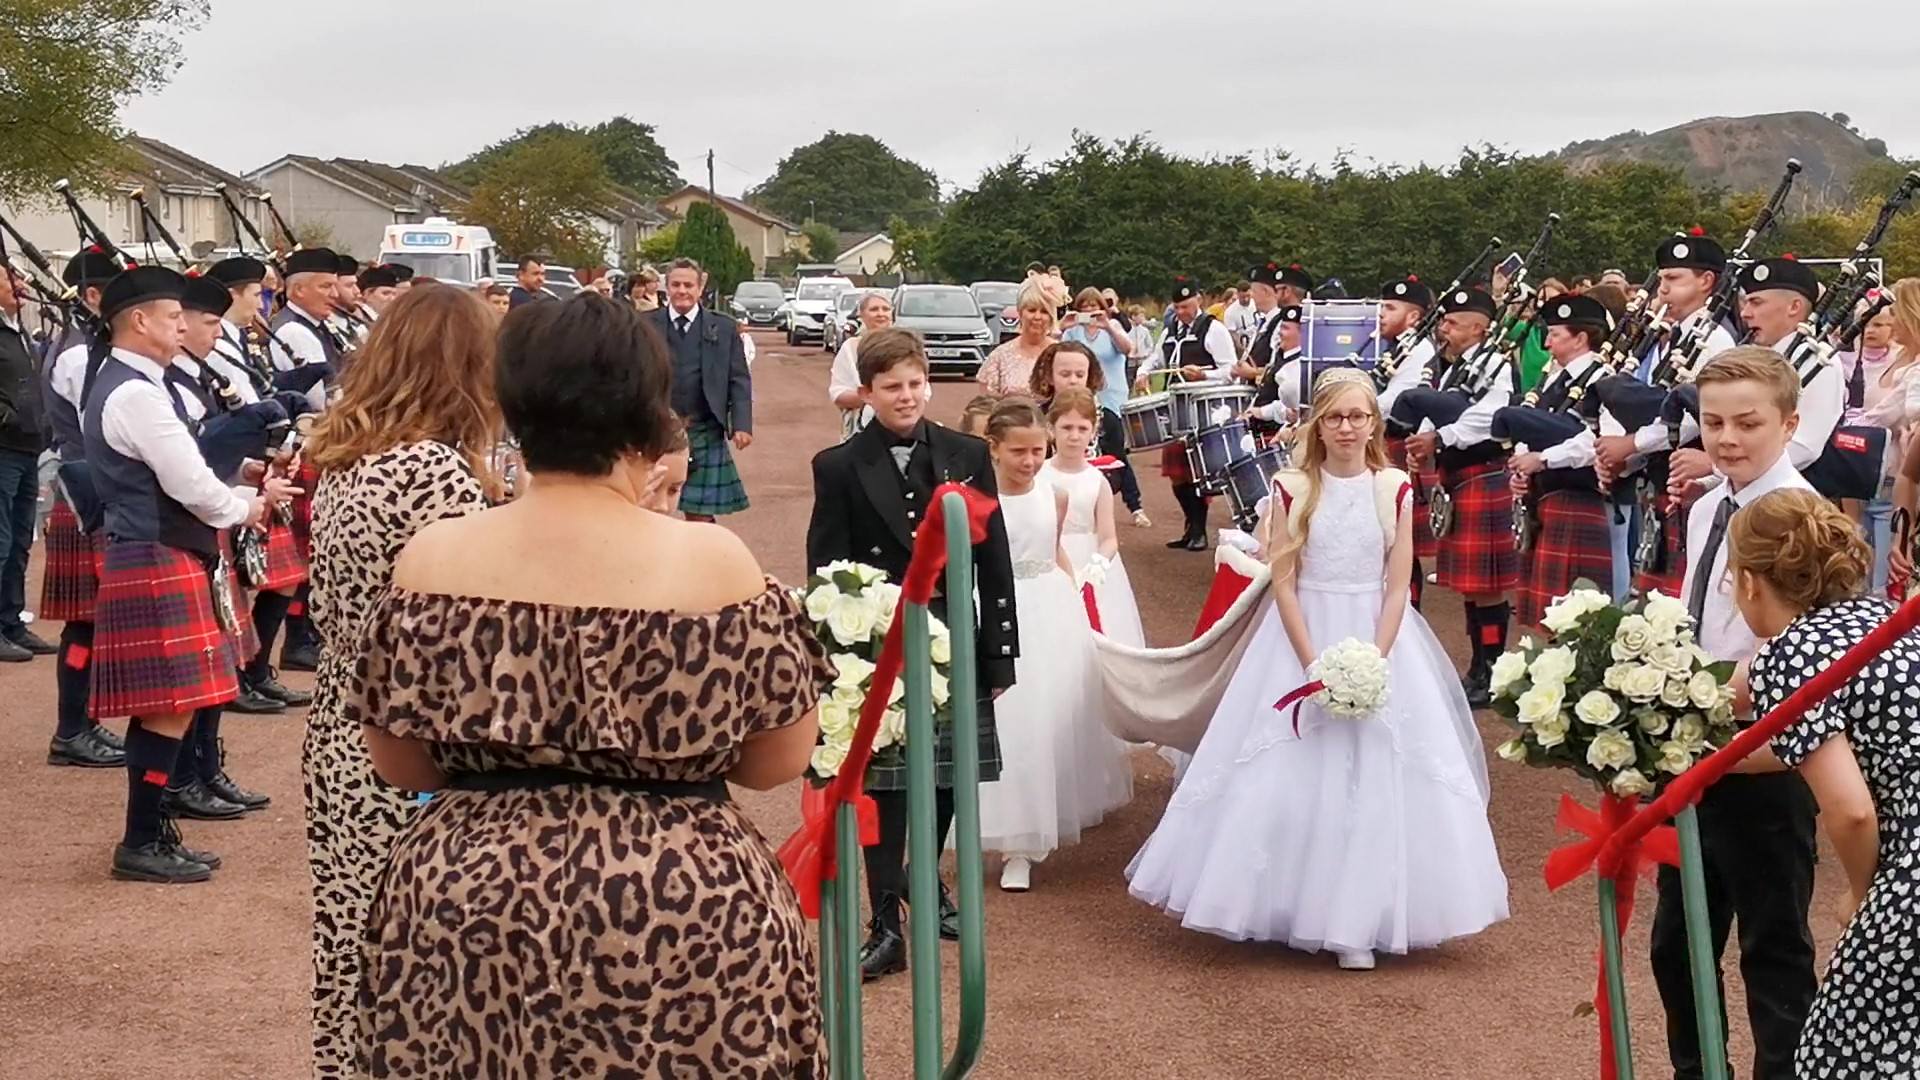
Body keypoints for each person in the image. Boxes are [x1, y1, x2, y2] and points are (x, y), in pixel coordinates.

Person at [347, 291, 830, 1075]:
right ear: (647, 410)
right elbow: (774, 762)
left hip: (471, 903)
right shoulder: (711, 565)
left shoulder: (433, 561)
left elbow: (401, 766)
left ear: (513, 404)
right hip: (680, 903)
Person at [1126, 370, 1507, 968]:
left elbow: (1397, 584)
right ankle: (1277, 901)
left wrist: (1374, 661)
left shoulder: (1396, 488)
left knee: (1377, 764)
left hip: (1379, 636)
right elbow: (1284, 579)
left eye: (1359, 417)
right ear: (1318, 425)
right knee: (1287, 761)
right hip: (1301, 631)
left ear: (1374, 423)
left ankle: (1362, 918)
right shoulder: (1291, 487)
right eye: (1336, 418)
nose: (1348, 428)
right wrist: (1311, 662)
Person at [298, 284, 503, 1077]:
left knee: (353, 940)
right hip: (409, 742)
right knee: (420, 956)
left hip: (342, 729)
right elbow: (474, 630)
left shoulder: (354, 461)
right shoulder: (434, 474)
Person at [806, 326, 1016, 979]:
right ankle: (886, 925)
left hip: (954, 640)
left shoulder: (965, 453)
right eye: (892, 387)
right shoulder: (837, 465)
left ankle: (925, 880)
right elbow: (826, 566)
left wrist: (999, 652)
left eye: (915, 384)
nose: (906, 396)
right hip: (879, 646)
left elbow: (994, 558)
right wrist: (838, 659)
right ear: (867, 392)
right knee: (885, 787)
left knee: (949, 778)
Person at [1646, 347, 1817, 1080]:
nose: (1726, 439)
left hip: (1766, 758)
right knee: (1678, 942)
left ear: (1789, 423)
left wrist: (1708, 692)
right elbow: (1698, 614)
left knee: (1773, 946)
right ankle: (1697, 1071)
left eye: (1748, 423)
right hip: (1690, 751)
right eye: (1713, 423)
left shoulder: (1800, 515)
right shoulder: (1712, 501)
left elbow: (1806, 648)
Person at [83, 266, 285, 883]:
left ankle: (148, 832)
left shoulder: (138, 384)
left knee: (171, 706)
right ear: (139, 321)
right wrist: (244, 507)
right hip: (157, 551)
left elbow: (188, 463)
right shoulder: (136, 393)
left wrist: (239, 479)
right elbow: (189, 484)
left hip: (157, 548)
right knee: (168, 707)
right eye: (174, 316)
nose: (183, 325)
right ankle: (141, 840)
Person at [1732, 488, 1920, 1077]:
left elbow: (1852, 810)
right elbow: (1817, 744)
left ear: (1750, 583)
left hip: (1910, 872)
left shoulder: (1789, 652)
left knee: (1845, 1052)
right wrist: (1704, 760)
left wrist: (1863, 890)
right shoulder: (1879, 618)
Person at [978, 396, 1130, 893]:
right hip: (999, 609)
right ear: (993, 449)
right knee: (1004, 721)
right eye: (1018, 452)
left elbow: (1054, 549)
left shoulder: (1055, 495)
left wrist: (1076, 598)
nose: (1028, 462)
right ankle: (1001, 825)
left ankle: (1025, 844)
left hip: (1049, 607)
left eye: (1036, 452)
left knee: (1044, 719)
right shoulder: (976, 499)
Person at [1593, 232, 1736, 601]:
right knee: (1654, 597)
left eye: (1674, 279)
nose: (1663, 289)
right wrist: (1617, 454)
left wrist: (1629, 445)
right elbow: (1637, 401)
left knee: (1682, 602)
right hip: (1657, 477)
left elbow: (1699, 413)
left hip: (1690, 482)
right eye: (1662, 279)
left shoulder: (1716, 341)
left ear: (1706, 282)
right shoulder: (1666, 338)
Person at [1400, 286, 1513, 705]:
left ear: (1478, 328)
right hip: (1458, 476)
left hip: (1483, 474)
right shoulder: (1454, 367)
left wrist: (1439, 436)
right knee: (1472, 587)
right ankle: (1479, 667)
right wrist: (1423, 441)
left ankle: (1494, 667)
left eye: (1451, 322)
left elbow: (1491, 416)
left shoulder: (1497, 364)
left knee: (1486, 586)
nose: (1443, 329)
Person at [41, 248, 124, 767]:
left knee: (91, 622)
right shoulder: (77, 355)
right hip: (83, 492)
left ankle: (83, 723)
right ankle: (71, 729)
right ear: (93, 296)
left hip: (92, 489)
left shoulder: (90, 348)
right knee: (84, 624)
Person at [1503, 295, 1615, 629]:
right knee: (1542, 617)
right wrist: (1522, 461)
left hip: (1576, 500)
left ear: (1581, 338)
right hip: (1544, 499)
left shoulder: (1602, 378)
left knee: (1572, 618)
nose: (1547, 343)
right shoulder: (1554, 378)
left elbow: (1595, 440)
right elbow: (1530, 422)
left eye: (1554, 335)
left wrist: (1543, 459)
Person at [1137, 277, 1236, 551]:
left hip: (1202, 411)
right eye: (1177, 307)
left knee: (1196, 473)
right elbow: (1155, 359)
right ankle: (1190, 527)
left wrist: (1204, 374)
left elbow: (1231, 370)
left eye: (1186, 306)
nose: (1182, 312)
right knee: (1177, 474)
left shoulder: (1214, 330)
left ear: (1199, 300)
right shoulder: (1170, 330)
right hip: (1175, 409)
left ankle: (1199, 531)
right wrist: (1143, 372)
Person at [1041, 387, 1145, 647]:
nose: (1074, 436)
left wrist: (1094, 570)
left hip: (1090, 563)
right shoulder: (1039, 476)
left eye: (1082, 429)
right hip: (1049, 559)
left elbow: (1109, 538)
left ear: (1093, 432)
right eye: (1066, 428)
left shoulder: (1097, 481)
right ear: (1051, 429)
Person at [649, 257, 752, 521]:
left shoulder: (724, 327)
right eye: (675, 285)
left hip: (705, 427)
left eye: (688, 285)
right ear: (666, 287)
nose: (682, 291)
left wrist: (741, 424)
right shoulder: (644, 324)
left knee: (701, 516)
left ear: (700, 288)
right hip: (655, 428)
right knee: (652, 507)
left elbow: (738, 379)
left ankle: (700, 558)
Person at [1841, 287, 1917, 591]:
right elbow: (1876, 415)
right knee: (1871, 576)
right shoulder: (1905, 366)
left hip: (1900, 486)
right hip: (1884, 479)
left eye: (1894, 315)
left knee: (1885, 583)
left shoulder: (1913, 370)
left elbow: (1884, 414)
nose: (1891, 322)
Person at [1058, 289, 1147, 524]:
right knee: (1080, 450)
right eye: (1084, 306)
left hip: (1111, 398)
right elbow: (1055, 354)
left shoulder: (1113, 327)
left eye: (1093, 306)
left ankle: (1135, 505)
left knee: (1116, 451)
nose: (1089, 311)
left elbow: (1128, 349)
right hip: (1081, 397)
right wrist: (1062, 326)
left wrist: (1107, 326)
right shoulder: (1073, 331)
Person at [0, 264, 48, 662]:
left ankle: (11, 621)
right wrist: (10, 417)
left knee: (19, 541)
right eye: (8, 280)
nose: (20, 285)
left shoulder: (18, 330)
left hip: (28, 447)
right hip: (3, 447)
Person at [830, 291, 925, 439]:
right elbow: (838, 395)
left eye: (885, 309)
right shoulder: (850, 348)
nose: (881, 314)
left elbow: (924, 392)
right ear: (861, 314)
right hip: (858, 434)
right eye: (874, 309)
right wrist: (877, 399)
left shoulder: (907, 345)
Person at [977, 282, 1057, 396]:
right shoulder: (1000, 355)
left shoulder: (1060, 353)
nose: (1037, 317)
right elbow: (985, 404)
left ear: (1051, 317)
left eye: (1044, 312)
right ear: (1020, 313)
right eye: (1032, 310)